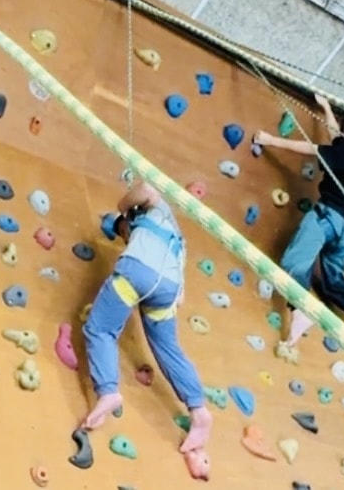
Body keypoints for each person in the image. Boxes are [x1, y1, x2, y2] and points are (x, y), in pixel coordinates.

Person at [81, 179, 211, 480]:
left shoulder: (152, 209)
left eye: (122, 231)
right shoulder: (178, 239)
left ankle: (108, 391)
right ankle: (198, 410)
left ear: (128, 223)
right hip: (167, 287)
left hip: (138, 271)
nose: (124, 236)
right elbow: (181, 294)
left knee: (100, 329)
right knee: (168, 348)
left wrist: (121, 207)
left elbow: (148, 187)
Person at [252, 95, 344, 361]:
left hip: (326, 217)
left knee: (294, 262)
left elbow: (312, 149)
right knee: (334, 280)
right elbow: (338, 137)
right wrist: (326, 108)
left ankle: (300, 309)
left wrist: (270, 140)